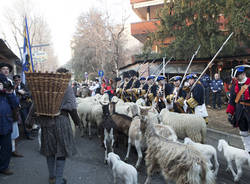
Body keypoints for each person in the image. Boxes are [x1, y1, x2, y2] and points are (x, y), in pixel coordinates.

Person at [37, 67, 81, 184]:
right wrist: (77, 122)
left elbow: (36, 102)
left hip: (47, 122)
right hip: (61, 121)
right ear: (65, 76)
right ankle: (59, 180)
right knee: (61, 150)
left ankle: (52, 176)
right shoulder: (66, 87)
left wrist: (30, 120)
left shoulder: (46, 86)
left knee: (49, 149)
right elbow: (72, 106)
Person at [0, 63, 23, 157]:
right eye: (3, 69)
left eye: (7, 69)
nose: (6, 71)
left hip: (12, 110)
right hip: (5, 111)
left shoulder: (10, 81)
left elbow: (12, 95)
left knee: (14, 132)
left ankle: (13, 150)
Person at [226, 65, 250, 154]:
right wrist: (230, 112)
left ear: (243, 74)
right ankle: (248, 150)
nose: (236, 78)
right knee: (243, 131)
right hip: (239, 111)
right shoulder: (234, 86)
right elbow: (232, 101)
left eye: (237, 76)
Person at [13, 75, 33, 140]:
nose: (18, 81)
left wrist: (23, 94)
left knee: (29, 119)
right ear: (14, 81)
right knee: (24, 120)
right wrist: (21, 93)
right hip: (20, 106)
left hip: (27, 105)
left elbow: (29, 94)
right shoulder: (13, 87)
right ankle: (28, 134)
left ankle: (29, 132)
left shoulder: (24, 85)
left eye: (19, 80)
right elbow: (15, 97)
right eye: (16, 80)